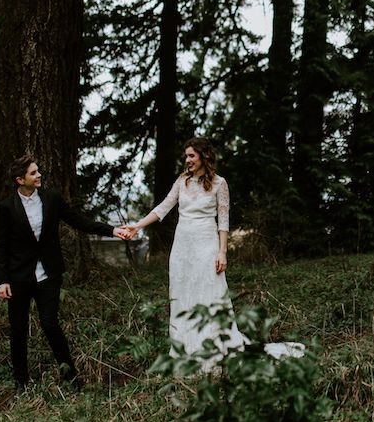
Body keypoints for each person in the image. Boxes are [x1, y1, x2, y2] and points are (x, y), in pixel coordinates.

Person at [122, 137, 303, 372]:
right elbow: (163, 208)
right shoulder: (182, 181)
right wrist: (137, 226)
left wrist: (222, 252)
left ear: (204, 156)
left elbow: (223, 222)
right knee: (183, 295)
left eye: (191, 156)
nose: (187, 160)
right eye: (186, 156)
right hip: (182, 247)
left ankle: (213, 351)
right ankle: (185, 351)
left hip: (206, 244)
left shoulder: (220, 184)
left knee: (209, 293)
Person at [0, 154, 134, 391]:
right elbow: (1, 246)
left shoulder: (51, 199)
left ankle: (70, 377)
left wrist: (112, 230)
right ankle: (21, 381)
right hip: (18, 277)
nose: (39, 175)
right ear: (20, 179)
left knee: (50, 324)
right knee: (18, 328)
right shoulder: (7, 207)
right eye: (33, 173)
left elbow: (79, 221)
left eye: (38, 171)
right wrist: (2, 280)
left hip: (49, 273)